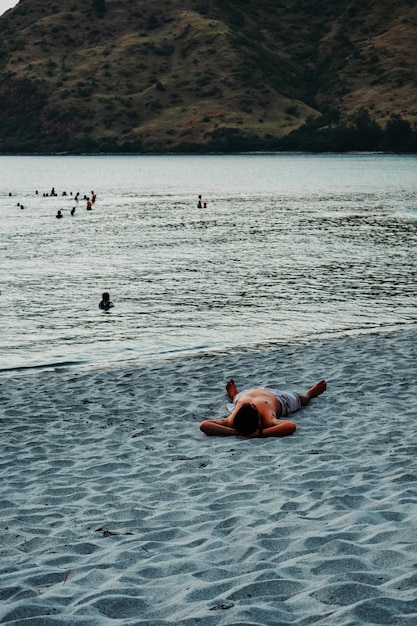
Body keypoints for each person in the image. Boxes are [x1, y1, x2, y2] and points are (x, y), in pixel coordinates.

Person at [199, 378, 326, 438]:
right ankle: (309, 393)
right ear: (259, 422)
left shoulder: (230, 420)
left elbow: (204, 425)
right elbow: (290, 425)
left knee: (237, 399)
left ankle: (234, 395)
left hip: (245, 395)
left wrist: (235, 432)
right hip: (277, 399)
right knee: (299, 400)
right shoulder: (266, 419)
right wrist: (259, 434)